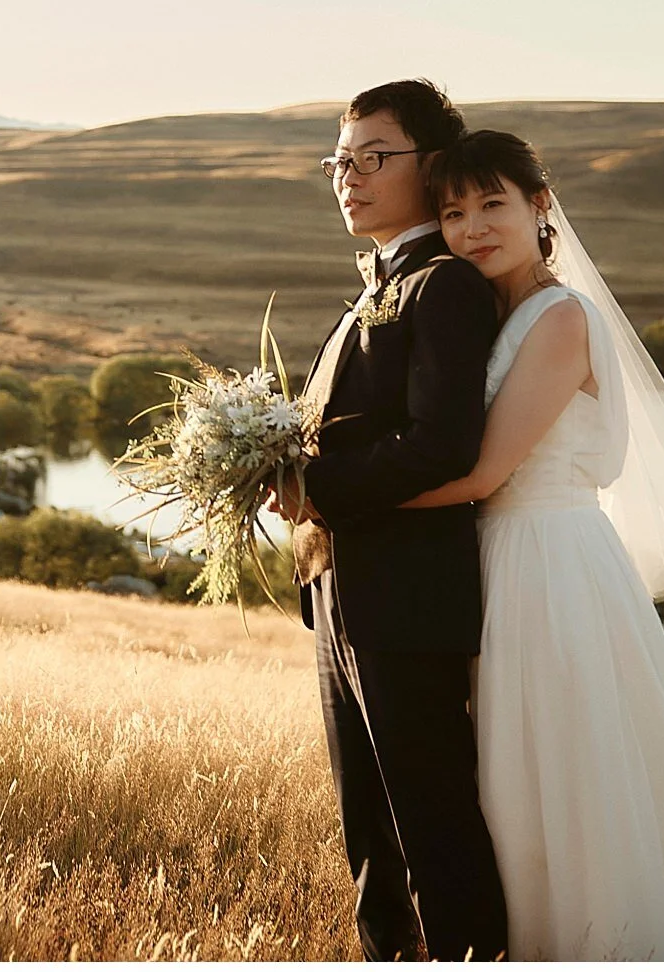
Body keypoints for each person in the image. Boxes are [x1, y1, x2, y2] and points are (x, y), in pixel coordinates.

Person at [400, 129, 664, 960]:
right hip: (504, 560)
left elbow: (484, 473)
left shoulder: (560, 316)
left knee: (569, 769)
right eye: (454, 212)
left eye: (492, 204)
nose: (471, 228)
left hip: (550, 563)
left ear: (541, 207)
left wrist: (332, 502)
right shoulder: (491, 313)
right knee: (515, 775)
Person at [266, 79, 508, 962]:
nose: (348, 176)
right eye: (339, 159)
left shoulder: (441, 285)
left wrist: (315, 486)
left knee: (427, 829)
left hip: (406, 598)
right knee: (368, 832)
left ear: (430, 165)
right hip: (341, 589)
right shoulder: (375, 283)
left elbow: (442, 445)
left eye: (374, 157)